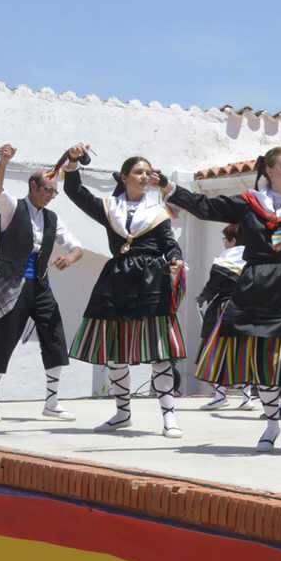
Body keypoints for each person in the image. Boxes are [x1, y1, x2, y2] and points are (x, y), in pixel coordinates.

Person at [165, 146, 281, 452]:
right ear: (269, 170)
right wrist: (169, 188)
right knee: (264, 365)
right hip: (257, 288)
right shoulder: (249, 203)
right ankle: (271, 426)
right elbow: (205, 207)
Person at [62, 145, 186, 437]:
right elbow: (76, 192)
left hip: (151, 280)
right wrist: (73, 162)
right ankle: (122, 413)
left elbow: (169, 244)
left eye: (148, 172)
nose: (144, 177)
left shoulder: (158, 212)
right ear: (124, 177)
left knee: (160, 352)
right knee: (115, 350)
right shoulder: (109, 208)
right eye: (139, 172)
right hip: (117, 279)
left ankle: (169, 416)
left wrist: (175, 258)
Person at [0, 144, 84, 422]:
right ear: (33, 187)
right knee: (4, 340)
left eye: (54, 192)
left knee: (55, 336)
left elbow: (76, 247)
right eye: (48, 190)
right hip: (14, 285)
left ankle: (52, 402)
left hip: (40, 285)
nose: (51, 196)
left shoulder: (52, 218)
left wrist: (69, 259)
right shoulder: (13, 209)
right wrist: (3, 162)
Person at [197, 224, 256, 411]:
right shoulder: (254, 257)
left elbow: (213, 284)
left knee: (218, 350)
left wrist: (203, 297)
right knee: (245, 351)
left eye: (225, 239)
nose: (224, 243)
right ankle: (247, 397)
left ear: (232, 240)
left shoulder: (226, 258)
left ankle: (220, 395)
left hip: (225, 308)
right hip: (249, 309)